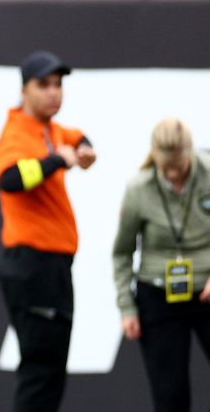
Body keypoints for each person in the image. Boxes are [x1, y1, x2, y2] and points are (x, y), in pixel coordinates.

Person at [0, 50, 96, 412]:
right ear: (24, 91)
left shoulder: (49, 130)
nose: (54, 93)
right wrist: (57, 161)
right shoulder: (17, 132)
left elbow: (80, 136)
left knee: (50, 372)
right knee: (40, 372)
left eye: (58, 85)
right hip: (32, 265)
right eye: (44, 85)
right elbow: (10, 178)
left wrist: (84, 150)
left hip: (51, 265)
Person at [113, 119, 210, 412]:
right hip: (159, 295)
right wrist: (126, 306)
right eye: (165, 168)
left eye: (179, 168)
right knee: (170, 395)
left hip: (207, 289)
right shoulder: (138, 188)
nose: (173, 174)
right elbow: (122, 252)